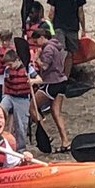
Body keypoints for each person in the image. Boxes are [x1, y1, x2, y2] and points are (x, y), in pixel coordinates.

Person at [31, 24, 70, 152]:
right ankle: (65, 142)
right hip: (61, 81)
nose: (36, 45)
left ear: (42, 37)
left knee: (32, 107)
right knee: (56, 112)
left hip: (51, 83)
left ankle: (45, 136)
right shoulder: (56, 46)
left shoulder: (48, 49)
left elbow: (45, 66)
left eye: (36, 41)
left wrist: (36, 59)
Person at [46, 0, 86, 78]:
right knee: (61, 50)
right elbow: (51, 13)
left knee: (70, 53)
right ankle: (57, 74)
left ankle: (66, 77)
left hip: (73, 27)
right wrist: (49, 28)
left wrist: (83, 29)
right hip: (59, 26)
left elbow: (81, 12)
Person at [0, 49, 33, 151]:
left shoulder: (27, 68)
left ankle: (20, 148)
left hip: (22, 99)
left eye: (10, 64)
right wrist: (3, 96)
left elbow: (40, 79)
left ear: (17, 60)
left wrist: (33, 80)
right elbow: (5, 83)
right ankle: (0, 141)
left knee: (20, 125)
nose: (9, 66)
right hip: (9, 96)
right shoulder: (7, 70)